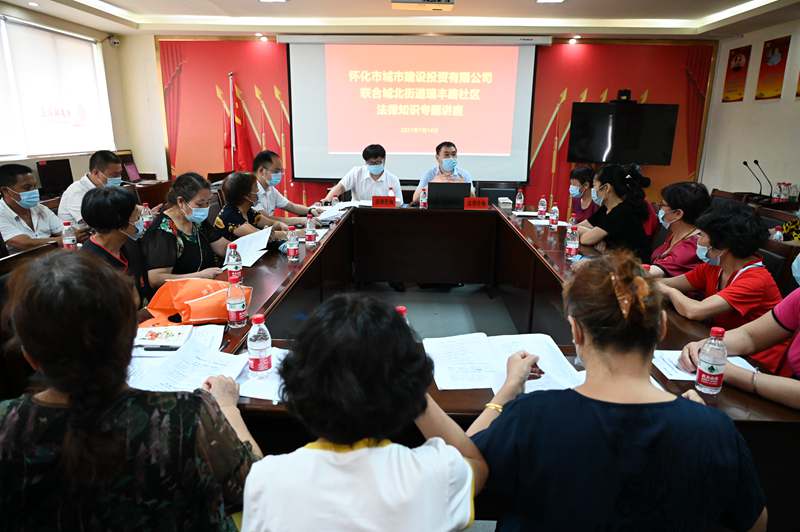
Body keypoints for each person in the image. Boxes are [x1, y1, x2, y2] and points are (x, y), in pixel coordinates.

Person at [467, 251, 767, 532]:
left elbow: (461, 470)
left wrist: (507, 390)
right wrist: (697, 419)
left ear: (576, 331)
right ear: (662, 326)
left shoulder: (531, 415)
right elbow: (755, 523)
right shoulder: (712, 429)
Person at [0, 251, 262, 530]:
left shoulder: (7, 425)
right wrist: (227, 407)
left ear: (30, 357)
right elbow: (257, 487)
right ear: (130, 337)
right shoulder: (185, 416)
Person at [242, 294, 487, 531]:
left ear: (296, 384)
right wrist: (411, 386)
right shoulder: (437, 474)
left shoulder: (266, 481)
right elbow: (477, 464)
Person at [659, 203, 791, 375]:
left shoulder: (756, 279)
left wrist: (669, 291)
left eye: (702, 235)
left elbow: (695, 311)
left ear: (722, 246)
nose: (697, 240)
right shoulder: (714, 267)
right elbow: (669, 283)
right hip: (723, 349)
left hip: (756, 364)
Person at [143, 172, 227, 289]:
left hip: (207, 286)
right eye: (200, 204)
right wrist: (200, 276)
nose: (205, 208)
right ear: (181, 202)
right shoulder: (162, 231)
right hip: (180, 292)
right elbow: (156, 279)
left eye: (208, 202)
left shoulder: (196, 220)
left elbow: (222, 247)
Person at [80, 186, 152, 306]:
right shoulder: (90, 264)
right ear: (120, 222)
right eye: (137, 216)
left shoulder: (129, 243)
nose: (141, 220)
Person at [576, 164, 651, 262]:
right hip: (615, 261)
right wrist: (598, 238)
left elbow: (585, 239)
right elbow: (577, 228)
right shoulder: (605, 208)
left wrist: (595, 237)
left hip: (632, 265)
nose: (593, 190)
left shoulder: (622, 211)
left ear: (606, 188)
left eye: (594, 186)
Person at [646, 181, 711, 278]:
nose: (659, 209)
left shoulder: (692, 246)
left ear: (678, 214)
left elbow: (655, 272)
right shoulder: (675, 233)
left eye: (662, 205)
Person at [0, 163, 64, 253]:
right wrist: (64, 239)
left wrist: (72, 235)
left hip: (50, 256)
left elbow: (64, 230)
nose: (34, 191)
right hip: (21, 260)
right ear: (5, 191)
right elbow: (24, 244)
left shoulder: (40, 208)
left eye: (34, 186)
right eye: (27, 188)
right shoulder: (1, 213)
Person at [252, 150, 321, 227]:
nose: (279, 175)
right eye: (276, 171)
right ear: (261, 170)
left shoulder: (270, 189)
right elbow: (264, 219)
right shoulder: (250, 190)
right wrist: (300, 220)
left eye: (281, 171)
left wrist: (310, 210)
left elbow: (291, 206)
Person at [215, 172, 288, 242]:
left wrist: (280, 225)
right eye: (256, 187)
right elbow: (263, 236)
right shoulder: (230, 216)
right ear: (247, 196)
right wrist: (292, 233)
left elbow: (271, 224)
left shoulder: (248, 211)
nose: (258, 190)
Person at [58, 150, 123, 225]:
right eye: (114, 175)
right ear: (95, 173)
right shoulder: (76, 192)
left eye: (120, 173)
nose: (118, 178)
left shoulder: (104, 187)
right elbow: (92, 223)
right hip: (83, 231)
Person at [323, 144, 403, 205]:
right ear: (366, 162)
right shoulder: (356, 172)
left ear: (384, 160)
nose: (375, 165)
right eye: (372, 163)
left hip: (383, 214)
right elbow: (340, 187)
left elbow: (399, 203)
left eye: (378, 162)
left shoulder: (393, 179)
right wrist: (326, 200)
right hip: (357, 214)